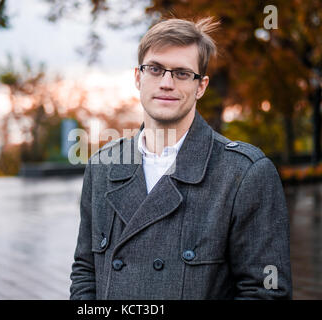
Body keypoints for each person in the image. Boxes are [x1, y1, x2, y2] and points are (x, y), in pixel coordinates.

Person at [70, 17, 292, 299]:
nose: (166, 82)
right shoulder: (102, 167)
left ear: (201, 86)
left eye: (182, 73)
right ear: (138, 77)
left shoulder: (245, 173)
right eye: (155, 69)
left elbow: (267, 291)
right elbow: (85, 272)